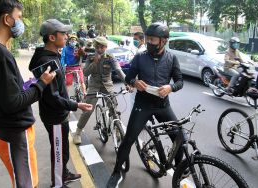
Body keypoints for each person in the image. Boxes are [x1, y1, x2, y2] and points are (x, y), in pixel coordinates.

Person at [0, 1, 56, 188]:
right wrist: (41, 84)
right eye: (18, 17)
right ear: (6, 19)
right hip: (14, 134)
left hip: (7, 131)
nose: (21, 22)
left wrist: (25, 86)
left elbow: (5, 93)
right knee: (26, 184)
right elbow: (12, 103)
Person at [106, 23, 183, 188]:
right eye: (147, 39)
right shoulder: (140, 57)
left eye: (152, 40)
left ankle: (180, 169)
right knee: (128, 140)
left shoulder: (171, 58)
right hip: (142, 105)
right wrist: (135, 82)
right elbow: (128, 77)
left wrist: (170, 87)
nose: (149, 42)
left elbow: (179, 81)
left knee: (179, 138)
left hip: (163, 105)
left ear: (163, 41)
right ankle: (116, 172)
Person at [29, 19, 93, 188]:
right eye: (63, 33)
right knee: (58, 151)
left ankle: (63, 173)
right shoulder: (47, 62)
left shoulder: (54, 56)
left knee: (63, 148)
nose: (67, 36)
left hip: (58, 112)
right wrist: (76, 105)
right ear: (51, 37)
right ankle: (57, 183)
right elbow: (52, 97)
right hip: (54, 115)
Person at [73, 36, 127, 144]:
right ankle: (78, 133)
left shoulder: (110, 57)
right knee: (88, 110)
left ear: (106, 47)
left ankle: (117, 128)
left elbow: (118, 70)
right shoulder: (91, 57)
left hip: (107, 86)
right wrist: (95, 63)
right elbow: (86, 73)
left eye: (102, 47)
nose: (100, 49)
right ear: (95, 46)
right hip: (94, 86)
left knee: (113, 107)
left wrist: (128, 82)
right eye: (98, 47)